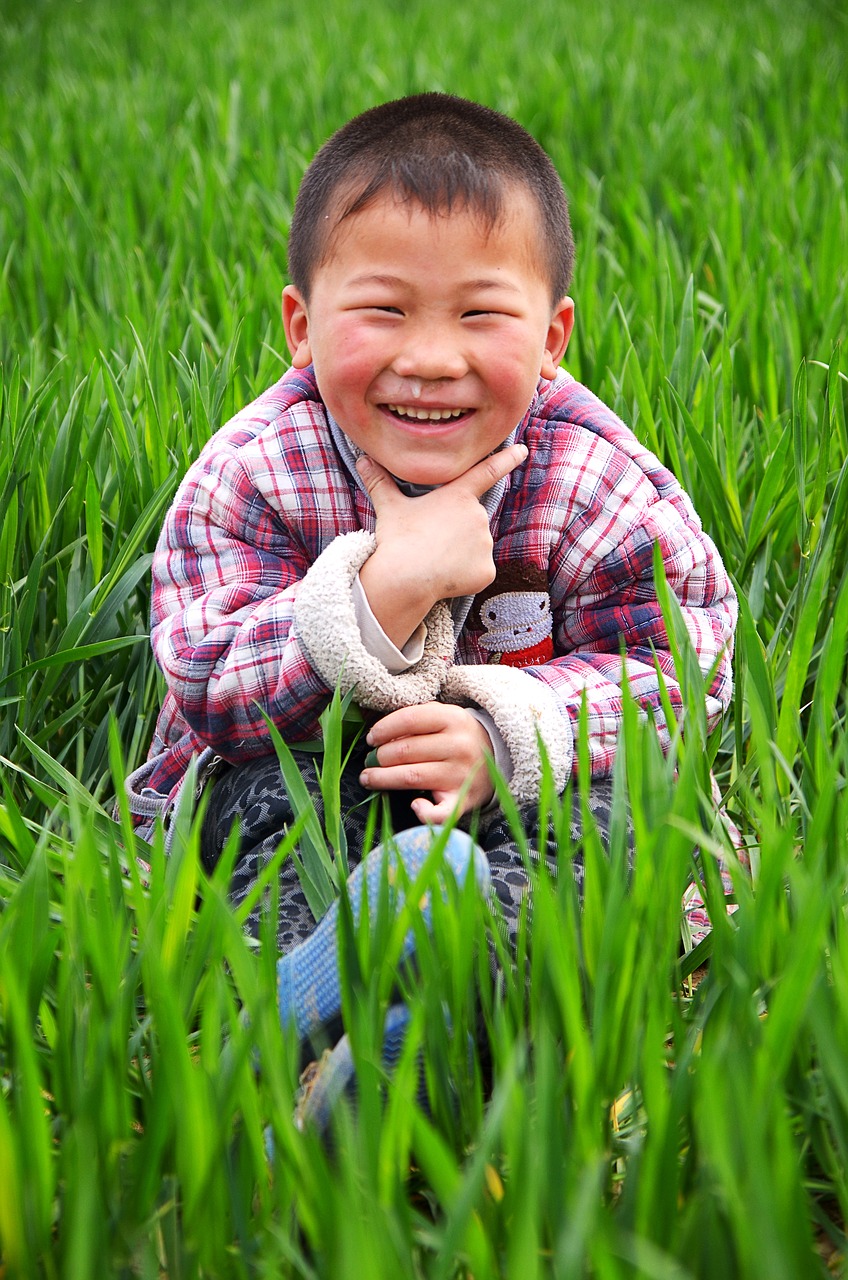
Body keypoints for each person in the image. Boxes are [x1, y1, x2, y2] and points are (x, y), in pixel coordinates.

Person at [125, 93, 737, 1056]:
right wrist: (378, 595)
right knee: (269, 802)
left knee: (622, 821)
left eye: (481, 315)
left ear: (551, 338)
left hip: (521, 783)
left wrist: (508, 736)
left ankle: (446, 1001)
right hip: (318, 767)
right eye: (383, 310)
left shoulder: (592, 478)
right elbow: (206, 685)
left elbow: (683, 666)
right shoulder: (256, 471)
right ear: (301, 323)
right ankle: (290, 1010)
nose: (431, 358)